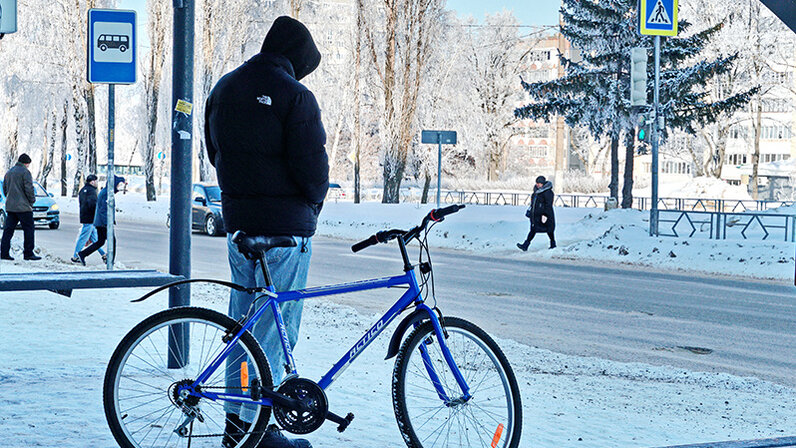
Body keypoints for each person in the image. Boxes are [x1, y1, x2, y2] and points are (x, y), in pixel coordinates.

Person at [205, 15, 328, 448]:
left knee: (243, 330)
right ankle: (262, 431)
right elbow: (314, 172)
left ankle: (237, 423)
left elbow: (214, 152)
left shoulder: (223, 88)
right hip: (285, 234)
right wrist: (311, 205)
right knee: (275, 332)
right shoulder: (296, 96)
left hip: (240, 228)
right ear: (297, 58)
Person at [77, 175, 126, 265]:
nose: (118, 187)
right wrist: (107, 223)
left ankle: (82, 254)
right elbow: (103, 209)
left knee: (100, 242)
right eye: (118, 185)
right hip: (104, 223)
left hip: (100, 222)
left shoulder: (106, 192)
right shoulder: (106, 193)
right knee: (112, 241)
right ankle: (110, 261)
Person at [1, 153, 41, 261]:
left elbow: (5, 189)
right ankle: (28, 253)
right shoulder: (25, 172)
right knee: (29, 229)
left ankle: (4, 253)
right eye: (28, 164)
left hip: (11, 207)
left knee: (8, 231)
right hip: (23, 207)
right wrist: (32, 201)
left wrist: (10, 198)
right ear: (26, 163)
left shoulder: (9, 172)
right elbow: (29, 189)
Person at [71, 174, 106, 264]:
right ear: (92, 182)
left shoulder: (82, 190)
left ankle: (103, 254)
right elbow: (93, 204)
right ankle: (75, 256)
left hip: (85, 217)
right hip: (90, 218)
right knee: (83, 238)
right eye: (96, 181)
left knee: (95, 240)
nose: (97, 183)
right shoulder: (92, 191)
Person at [518, 175, 556, 251]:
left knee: (549, 230)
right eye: (537, 183)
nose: (537, 184)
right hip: (536, 215)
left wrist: (545, 214)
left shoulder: (548, 192)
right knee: (533, 229)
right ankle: (525, 245)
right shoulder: (536, 191)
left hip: (545, 215)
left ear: (543, 183)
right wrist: (530, 210)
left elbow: (548, 204)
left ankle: (553, 244)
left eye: (539, 183)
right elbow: (533, 203)